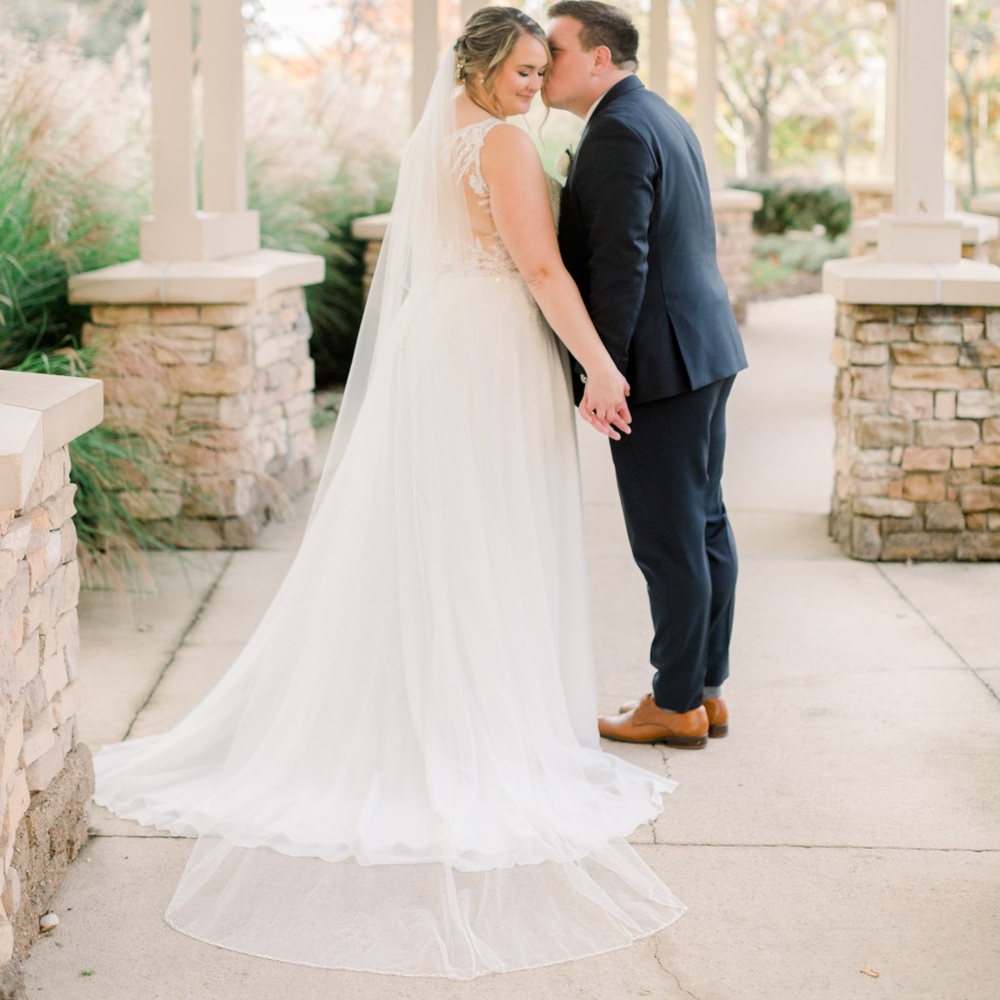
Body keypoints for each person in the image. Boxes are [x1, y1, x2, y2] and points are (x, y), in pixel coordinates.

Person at [93, 6, 685, 980]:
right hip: (487, 351)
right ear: (486, 64)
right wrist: (600, 368)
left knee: (439, 537)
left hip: (440, 342)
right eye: (524, 71)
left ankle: (428, 713)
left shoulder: (445, 138)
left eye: (544, 72)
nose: (535, 88)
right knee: (483, 538)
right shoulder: (497, 142)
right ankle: (469, 733)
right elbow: (537, 266)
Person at [544, 1, 747, 749]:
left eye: (557, 51)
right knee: (704, 525)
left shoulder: (620, 129)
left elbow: (621, 262)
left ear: (599, 58)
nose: (544, 66)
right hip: (702, 349)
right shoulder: (656, 114)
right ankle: (705, 691)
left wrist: (608, 372)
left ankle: (673, 702)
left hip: (660, 364)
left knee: (669, 538)